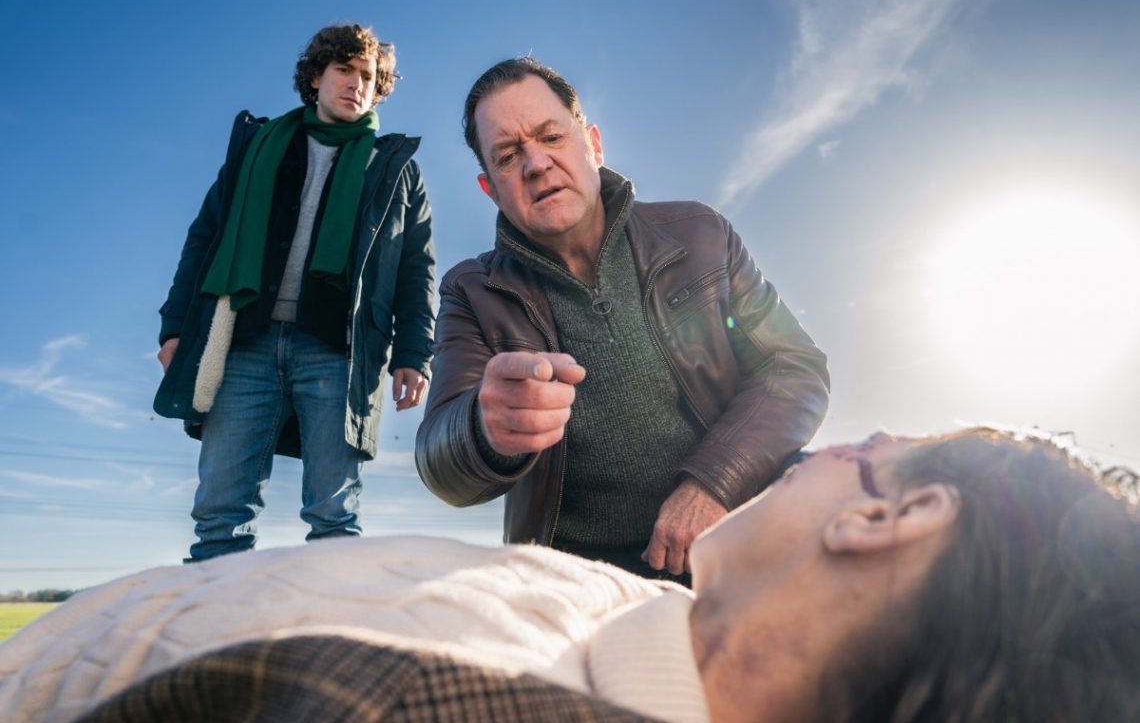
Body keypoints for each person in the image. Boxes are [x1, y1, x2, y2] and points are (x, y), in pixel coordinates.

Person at [5, 427, 1134, 722]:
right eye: (501, 151)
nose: (821, 448)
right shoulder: (661, 616)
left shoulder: (400, 702)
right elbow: (449, 447)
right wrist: (483, 433)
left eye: (870, 447)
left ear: (895, 516)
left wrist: (706, 477)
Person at [414, 57, 830, 582]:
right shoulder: (470, 291)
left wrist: (714, 484)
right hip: (581, 578)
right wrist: (482, 427)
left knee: (849, 492)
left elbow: (794, 368)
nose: (536, 164)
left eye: (551, 137)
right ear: (489, 189)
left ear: (593, 144)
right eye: (508, 155)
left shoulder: (701, 233)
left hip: (738, 522)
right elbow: (438, 461)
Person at [153, 24, 436, 561]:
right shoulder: (258, 148)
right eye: (344, 70)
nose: (356, 84)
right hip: (243, 343)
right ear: (315, 77)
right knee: (219, 514)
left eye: (368, 76)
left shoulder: (394, 168)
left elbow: (415, 269)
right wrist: (174, 327)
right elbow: (204, 239)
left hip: (338, 352)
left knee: (335, 517)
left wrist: (414, 353)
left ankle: (328, 616)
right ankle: (219, 614)